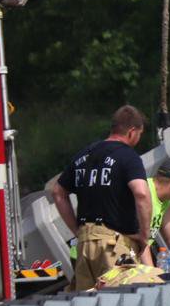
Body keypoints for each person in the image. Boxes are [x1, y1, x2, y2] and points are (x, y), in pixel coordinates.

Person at [52, 105, 151, 291]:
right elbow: (141, 193)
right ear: (132, 132)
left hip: (84, 245)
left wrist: (77, 230)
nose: (138, 139)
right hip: (113, 246)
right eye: (139, 134)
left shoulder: (84, 155)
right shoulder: (128, 156)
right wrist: (144, 235)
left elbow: (58, 192)